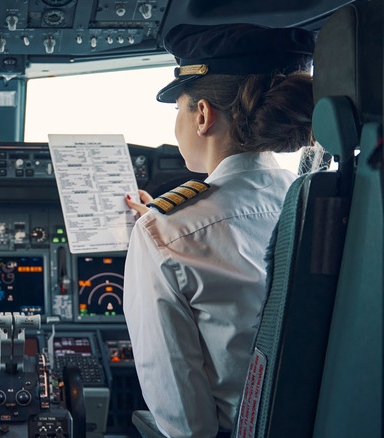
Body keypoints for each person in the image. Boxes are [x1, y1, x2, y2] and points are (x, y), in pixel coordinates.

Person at [122, 24, 316, 438]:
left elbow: (186, 424)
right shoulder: (315, 204)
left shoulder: (163, 234)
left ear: (204, 115)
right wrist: (160, 228)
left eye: (179, 108)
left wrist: (154, 236)